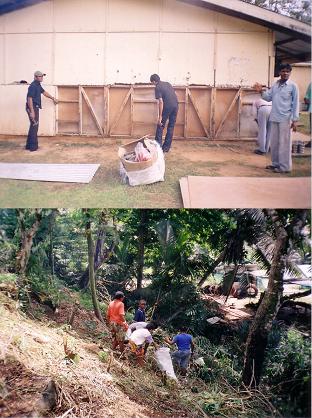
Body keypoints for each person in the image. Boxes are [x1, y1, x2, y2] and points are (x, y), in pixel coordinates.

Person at [253, 63, 299, 174]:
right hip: (274, 117)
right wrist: (260, 91)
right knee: (274, 143)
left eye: (287, 71)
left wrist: (295, 119)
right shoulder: (276, 85)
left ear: (290, 73)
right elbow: (268, 98)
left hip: (286, 119)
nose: (285, 73)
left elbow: (296, 103)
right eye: (283, 71)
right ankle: (275, 164)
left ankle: (285, 167)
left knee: (284, 143)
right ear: (279, 73)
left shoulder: (293, 86)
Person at [25, 71, 58, 152]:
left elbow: (44, 92)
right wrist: (32, 111)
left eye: (42, 76)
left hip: (34, 107)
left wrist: (52, 98)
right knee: (34, 126)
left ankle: (28, 145)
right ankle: (33, 147)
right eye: (40, 76)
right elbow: (29, 98)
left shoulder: (38, 85)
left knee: (33, 126)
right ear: (35, 77)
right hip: (32, 107)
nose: (42, 77)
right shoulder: (32, 86)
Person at [150, 74, 179, 153]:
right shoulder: (168, 83)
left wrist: (160, 117)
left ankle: (158, 148)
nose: (153, 84)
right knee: (171, 127)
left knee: (160, 125)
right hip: (176, 105)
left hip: (167, 107)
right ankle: (166, 148)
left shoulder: (157, 87)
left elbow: (161, 102)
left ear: (154, 81)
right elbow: (175, 94)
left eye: (152, 83)